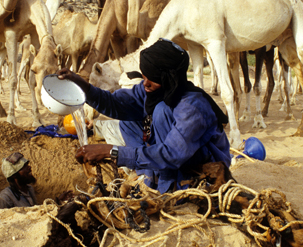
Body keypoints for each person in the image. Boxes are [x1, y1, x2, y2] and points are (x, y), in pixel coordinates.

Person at [57, 39, 231, 193]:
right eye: (144, 76)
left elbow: (171, 154)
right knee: (128, 121)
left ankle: (171, 185)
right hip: (174, 156)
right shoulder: (154, 89)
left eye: (153, 78)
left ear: (170, 78)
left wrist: (111, 152)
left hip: (202, 164)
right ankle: (148, 177)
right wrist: (81, 84)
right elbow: (116, 104)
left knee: (161, 111)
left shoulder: (192, 107)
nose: (145, 83)